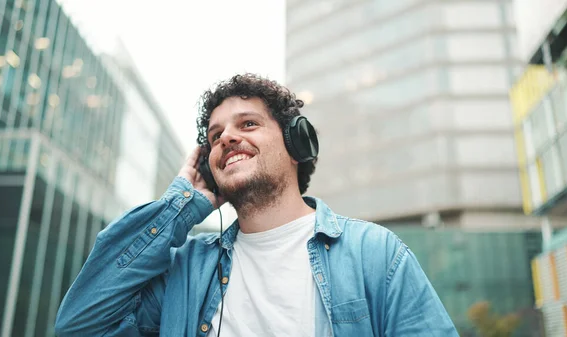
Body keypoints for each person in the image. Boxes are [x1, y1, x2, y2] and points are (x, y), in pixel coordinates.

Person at [55, 73, 458, 336]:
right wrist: (181, 204)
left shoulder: (374, 253)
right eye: (215, 136)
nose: (227, 138)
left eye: (248, 124)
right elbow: (80, 325)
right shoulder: (187, 269)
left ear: (297, 143)